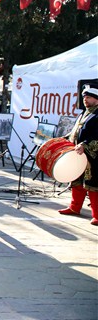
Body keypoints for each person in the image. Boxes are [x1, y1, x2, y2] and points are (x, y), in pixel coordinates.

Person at [58, 83, 98, 225]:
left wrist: (85, 144)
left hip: (94, 156)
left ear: (97, 99)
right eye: (84, 97)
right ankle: (74, 208)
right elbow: (76, 130)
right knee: (76, 181)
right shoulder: (84, 113)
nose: (85, 99)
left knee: (93, 185)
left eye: (89, 97)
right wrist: (65, 139)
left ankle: (97, 215)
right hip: (78, 153)